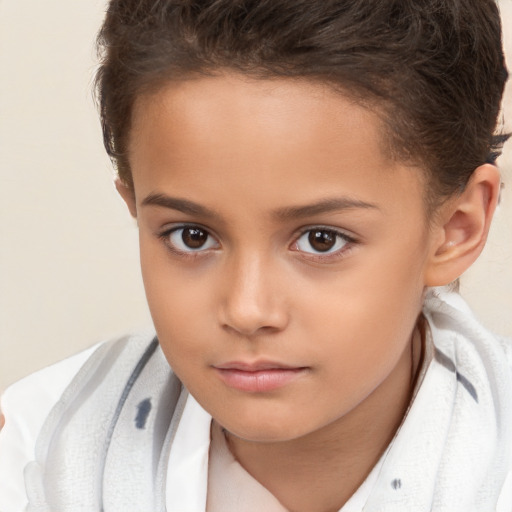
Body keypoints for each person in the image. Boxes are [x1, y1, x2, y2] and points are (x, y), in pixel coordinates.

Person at [0, 0, 511, 510]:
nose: (247, 310)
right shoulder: (34, 450)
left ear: (456, 228)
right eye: (192, 236)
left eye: (321, 240)